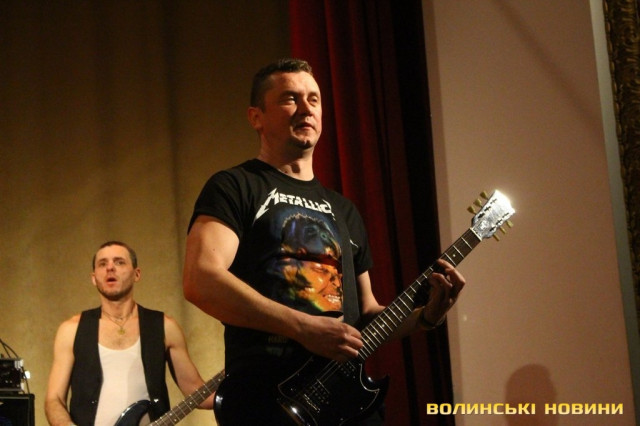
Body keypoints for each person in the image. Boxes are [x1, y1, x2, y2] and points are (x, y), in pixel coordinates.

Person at [182, 58, 466, 425]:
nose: (306, 108)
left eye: (313, 99)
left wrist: (426, 317)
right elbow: (201, 280)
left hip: (344, 404)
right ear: (256, 117)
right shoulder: (236, 186)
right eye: (290, 98)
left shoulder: (344, 210)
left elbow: (366, 314)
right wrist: (303, 328)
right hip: (268, 401)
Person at [45, 241, 214, 426]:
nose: (110, 268)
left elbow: (198, 392)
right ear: (94, 278)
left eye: (119, 262)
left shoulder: (165, 326)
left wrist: (236, 383)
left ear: (136, 274)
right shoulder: (71, 330)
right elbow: (54, 400)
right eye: (102, 264)